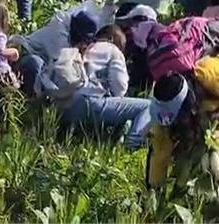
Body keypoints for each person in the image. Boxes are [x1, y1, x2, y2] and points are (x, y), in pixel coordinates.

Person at [147, 61, 219, 188]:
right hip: (206, 107)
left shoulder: (216, 81)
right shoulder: (162, 111)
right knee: (189, 150)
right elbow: (159, 153)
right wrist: (154, 189)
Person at [43, 12, 151, 149]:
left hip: (61, 106)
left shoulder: (71, 48)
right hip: (89, 103)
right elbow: (120, 88)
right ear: (112, 39)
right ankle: (131, 146)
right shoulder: (112, 49)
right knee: (147, 106)